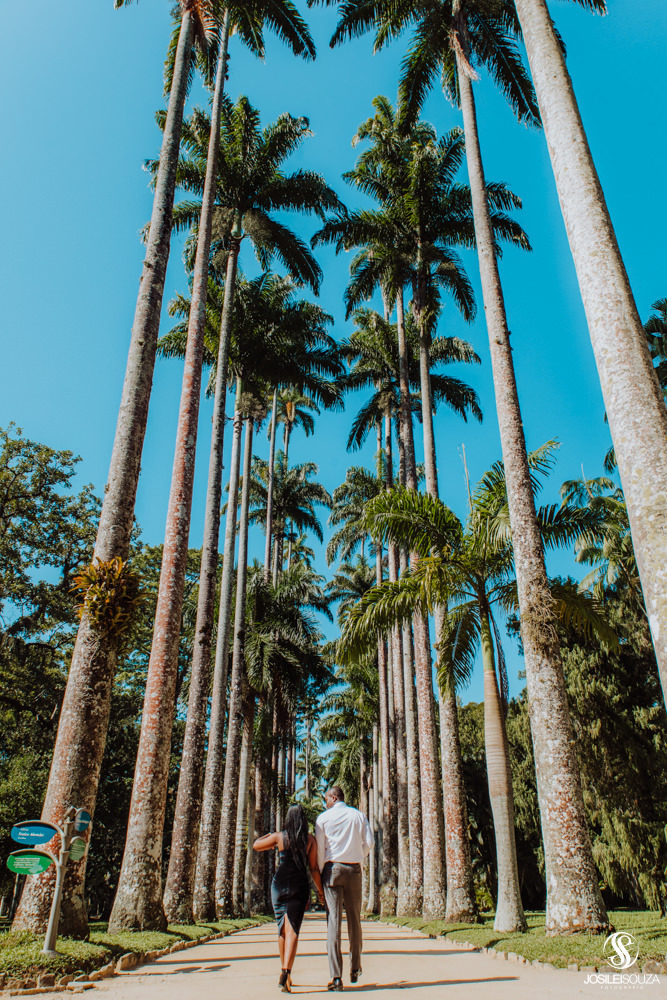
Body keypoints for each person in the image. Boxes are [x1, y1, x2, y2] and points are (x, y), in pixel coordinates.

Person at [254, 803, 325, 993]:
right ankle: (286, 972)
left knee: (282, 929)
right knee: (292, 929)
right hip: (299, 885)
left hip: (279, 885)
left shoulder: (280, 837)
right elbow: (314, 869)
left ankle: (285, 972)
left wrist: (270, 836)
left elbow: (256, 845)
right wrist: (320, 892)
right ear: (303, 820)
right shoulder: (309, 840)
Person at [315, 786, 373, 991]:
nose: (325, 804)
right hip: (354, 869)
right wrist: (357, 855)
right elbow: (369, 842)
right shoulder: (358, 815)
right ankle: (355, 968)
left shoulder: (323, 819)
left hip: (332, 870)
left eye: (326, 799)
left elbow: (320, 851)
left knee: (334, 921)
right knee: (355, 920)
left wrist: (321, 873)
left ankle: (336, 977)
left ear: (333, 797)